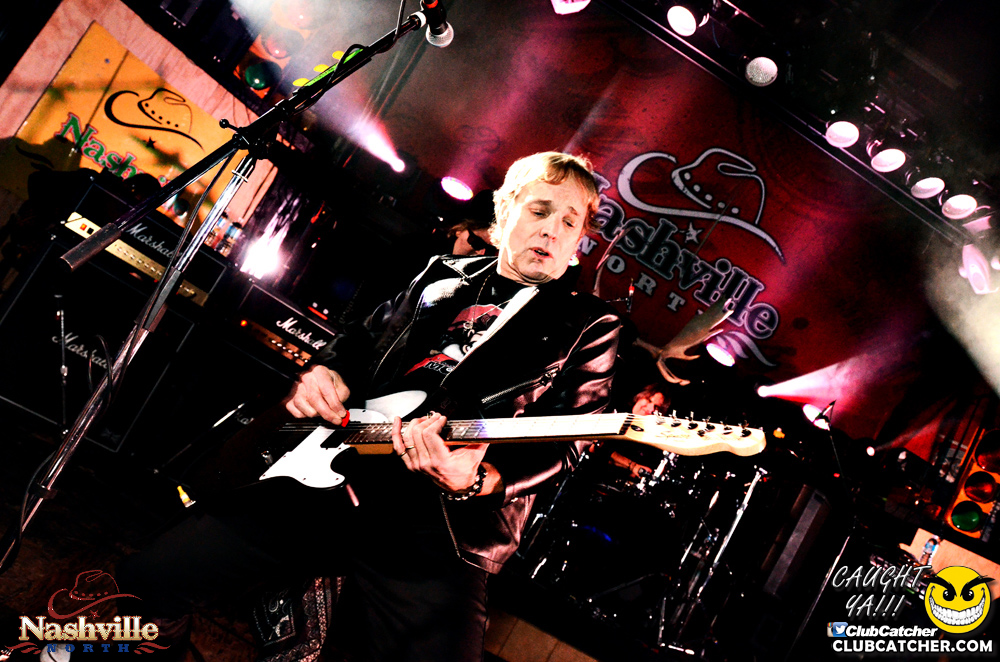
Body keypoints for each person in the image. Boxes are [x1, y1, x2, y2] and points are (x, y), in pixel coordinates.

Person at [115, 152, 621, 662]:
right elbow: (358, 342)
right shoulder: (442, 273)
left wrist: (478, 478)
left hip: (438, 526)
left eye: (569, 222)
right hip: (334, 474)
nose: (552, 230)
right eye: (540, 211)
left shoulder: (588, 324)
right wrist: (322, 371)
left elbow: (567, 441)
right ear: (505, 211)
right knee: (148, 580)